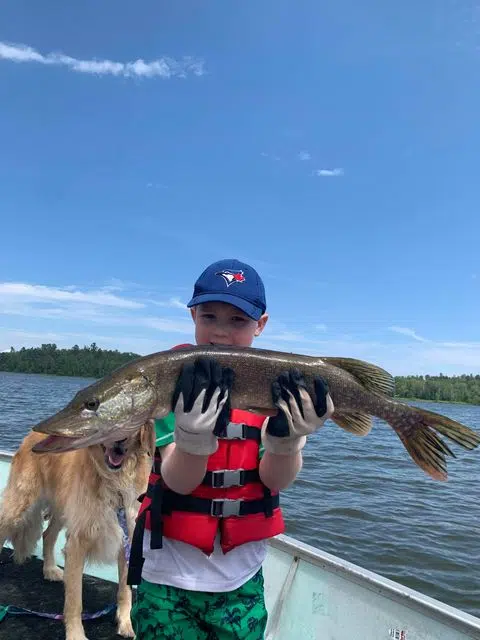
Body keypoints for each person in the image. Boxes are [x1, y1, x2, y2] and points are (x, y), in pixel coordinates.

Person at [129, 258, 334, 639]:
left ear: (261, 325)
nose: (220, 334)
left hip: (241, 583)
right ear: (192, 316)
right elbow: (179, 480)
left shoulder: (277, 383)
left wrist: (286, 441)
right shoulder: (173, 381)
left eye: (237, 321)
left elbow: (275, 479)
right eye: (209, 317)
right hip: (165, 580)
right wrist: (191, 438)